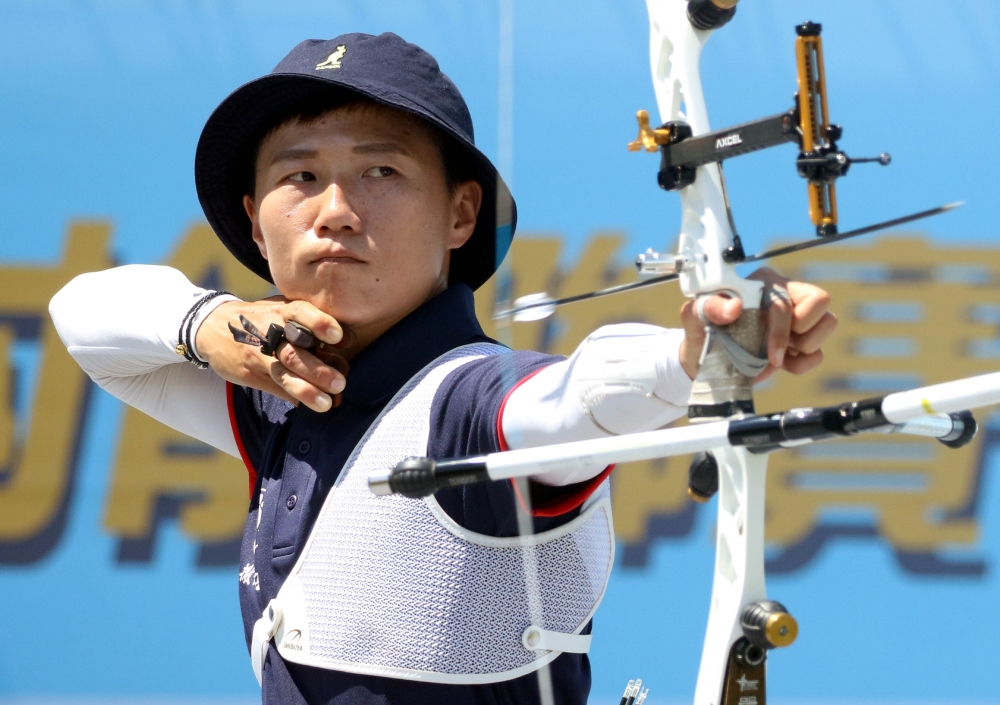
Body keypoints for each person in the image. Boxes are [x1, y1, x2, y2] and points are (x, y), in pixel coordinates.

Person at [48, 32, 836, 705]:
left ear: (461, 213)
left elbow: (575, 400)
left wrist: (695, 350)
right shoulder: (282, 395)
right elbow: (85, 319)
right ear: (255, 222)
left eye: (380, 172)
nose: (335, 210)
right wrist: (206, 324)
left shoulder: (471, 401)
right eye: (300, 177)